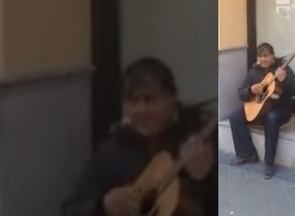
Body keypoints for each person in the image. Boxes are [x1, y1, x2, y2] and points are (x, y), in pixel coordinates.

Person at [62, 57, 216, 216]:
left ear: (173, 97)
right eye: (133, 101)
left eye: (150, 100)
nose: (141, 110)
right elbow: (71, 209)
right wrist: (102, 206)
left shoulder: (201, 142)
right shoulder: (111, 151)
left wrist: (206, 180)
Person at [228, 42, 295, 179]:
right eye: (260, 56)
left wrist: (284, 80)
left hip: (281, 108)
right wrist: (250, 90)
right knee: (235, 116)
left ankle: (269, 162)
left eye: (266, 55)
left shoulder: (283, 68)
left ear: (273, 56)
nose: (263, 59)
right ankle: (247, 154)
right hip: (258, 109)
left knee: (271, 118)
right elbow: (240, 93)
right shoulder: (254, 71)